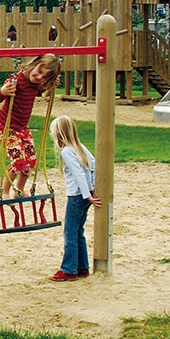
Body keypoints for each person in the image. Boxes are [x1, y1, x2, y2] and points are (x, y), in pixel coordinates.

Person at [0, 54, 62, 200]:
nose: (39, 77)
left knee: (30, 160)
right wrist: (3, 91)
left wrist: (50, 85)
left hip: (22, 128)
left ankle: (19, 189)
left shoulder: (35, 85)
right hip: (7, 127)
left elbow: (41, 91)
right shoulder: (15, 80)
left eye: (44, 78)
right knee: (19, 161)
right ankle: (4, 191)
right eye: (40, 71)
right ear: (35, 63)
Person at [49, 116, 102, 282]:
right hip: (85, 197)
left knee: (70, 232)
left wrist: (87, 194)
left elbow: (79, 174)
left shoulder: (66, 152)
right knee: (79, 231)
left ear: (59, 134)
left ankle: (69, 269)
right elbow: (93, 166)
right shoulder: (80, 147)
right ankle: (82, 267)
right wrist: (92, 189)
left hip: (77, 197)